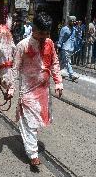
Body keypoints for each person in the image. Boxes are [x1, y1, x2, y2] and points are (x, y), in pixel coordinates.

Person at [6, 12, 63, 166]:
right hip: (28, 91)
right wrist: (11, 88)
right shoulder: (22, 46)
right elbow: (14, 69)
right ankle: (32, 154)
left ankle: (31, 145)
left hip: (44, 92)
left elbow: (55, 63)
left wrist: (58, 82)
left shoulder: (49, 43)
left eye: (46, 33)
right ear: (33, 29)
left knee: (37, 122)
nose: (43, 36)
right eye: (40, 33)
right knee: (29, 123)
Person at [57, 16, 79, 80]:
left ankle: (58, 72)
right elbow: (61, 38)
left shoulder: (74, 29)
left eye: (74, 21)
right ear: (69, 21)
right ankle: (71, 74)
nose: (73, 22)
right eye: (72, 21)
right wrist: (58, 46)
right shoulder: (64, 29)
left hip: (71, 48)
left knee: (62, 61)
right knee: (67, 61)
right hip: (65, 48)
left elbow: (76, 37)